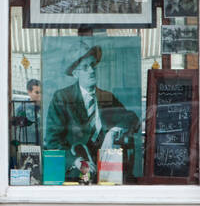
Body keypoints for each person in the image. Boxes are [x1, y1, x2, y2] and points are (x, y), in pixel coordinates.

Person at [43, 39, 139, 181]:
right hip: (77, 171)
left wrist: (113, 132)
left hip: (106, 171)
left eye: (93, 65)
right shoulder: (62, 98)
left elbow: (132, 119)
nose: (91, 71)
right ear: (75, 73)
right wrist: (76, 161)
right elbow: (52, 141)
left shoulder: (106, 97)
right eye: (85, 67)